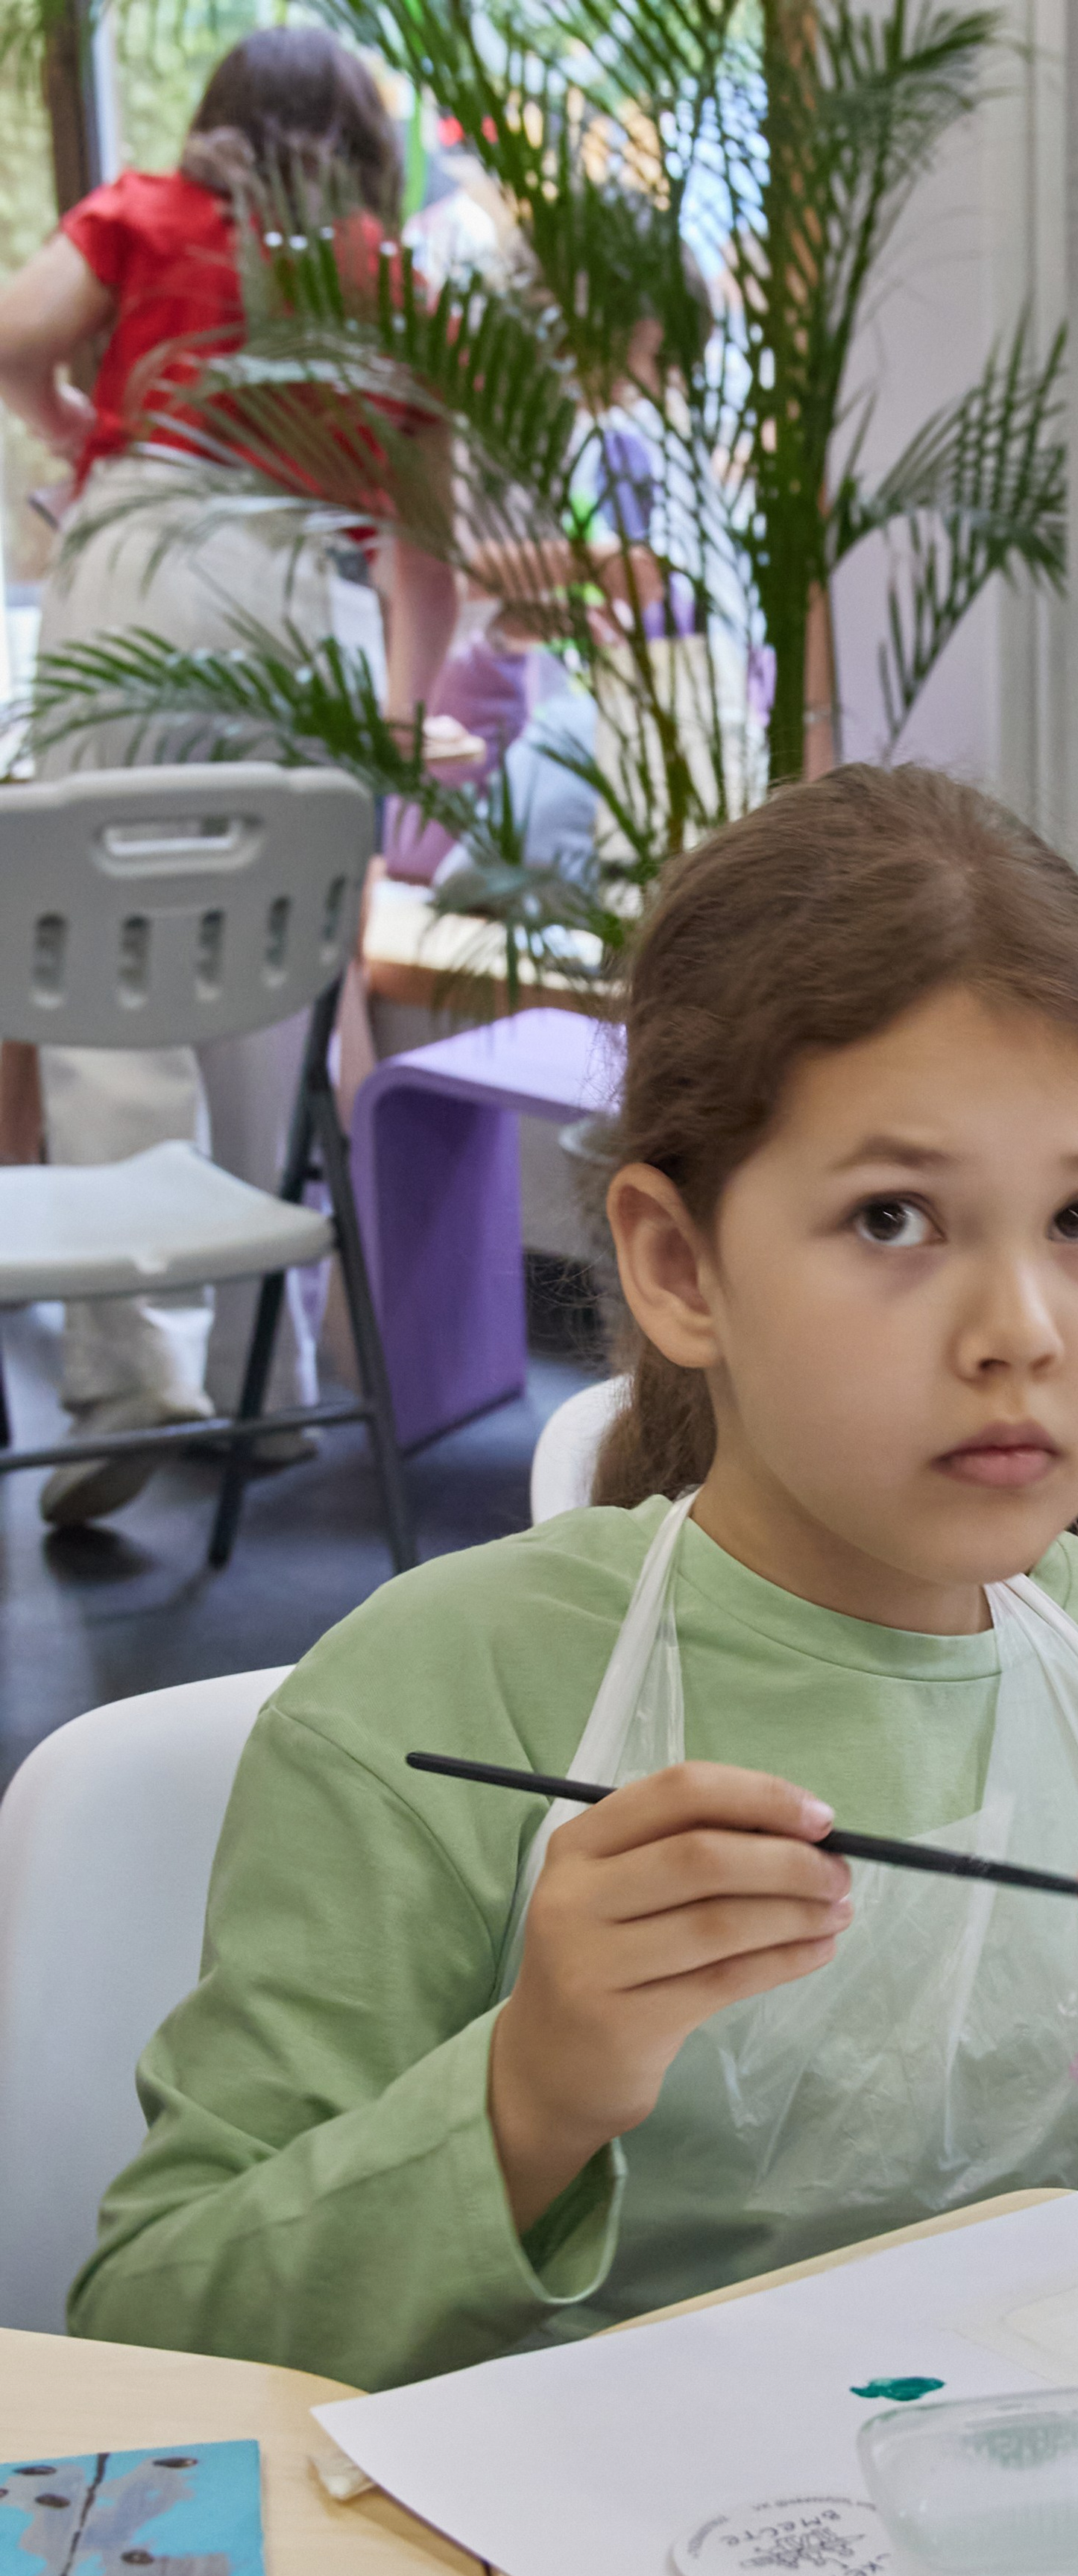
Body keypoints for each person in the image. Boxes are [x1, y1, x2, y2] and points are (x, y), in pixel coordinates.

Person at [68, 765, 1078, 2390]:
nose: (1021, 1331)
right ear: (678, 1266)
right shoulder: (435, 1705)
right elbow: (155, 2331)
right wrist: (527, 2092)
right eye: (893, 1218)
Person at [0, 27, 459, 1524]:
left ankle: (138, 1371)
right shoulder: (389, 282)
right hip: (308, 595)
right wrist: (394, 730)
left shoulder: (145, 213)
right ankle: (262, 1392)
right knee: (275, 986)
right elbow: (427, 558)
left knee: (108, 965)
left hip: (143, 558)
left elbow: (12, 336)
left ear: (217, 116)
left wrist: (80, 432)